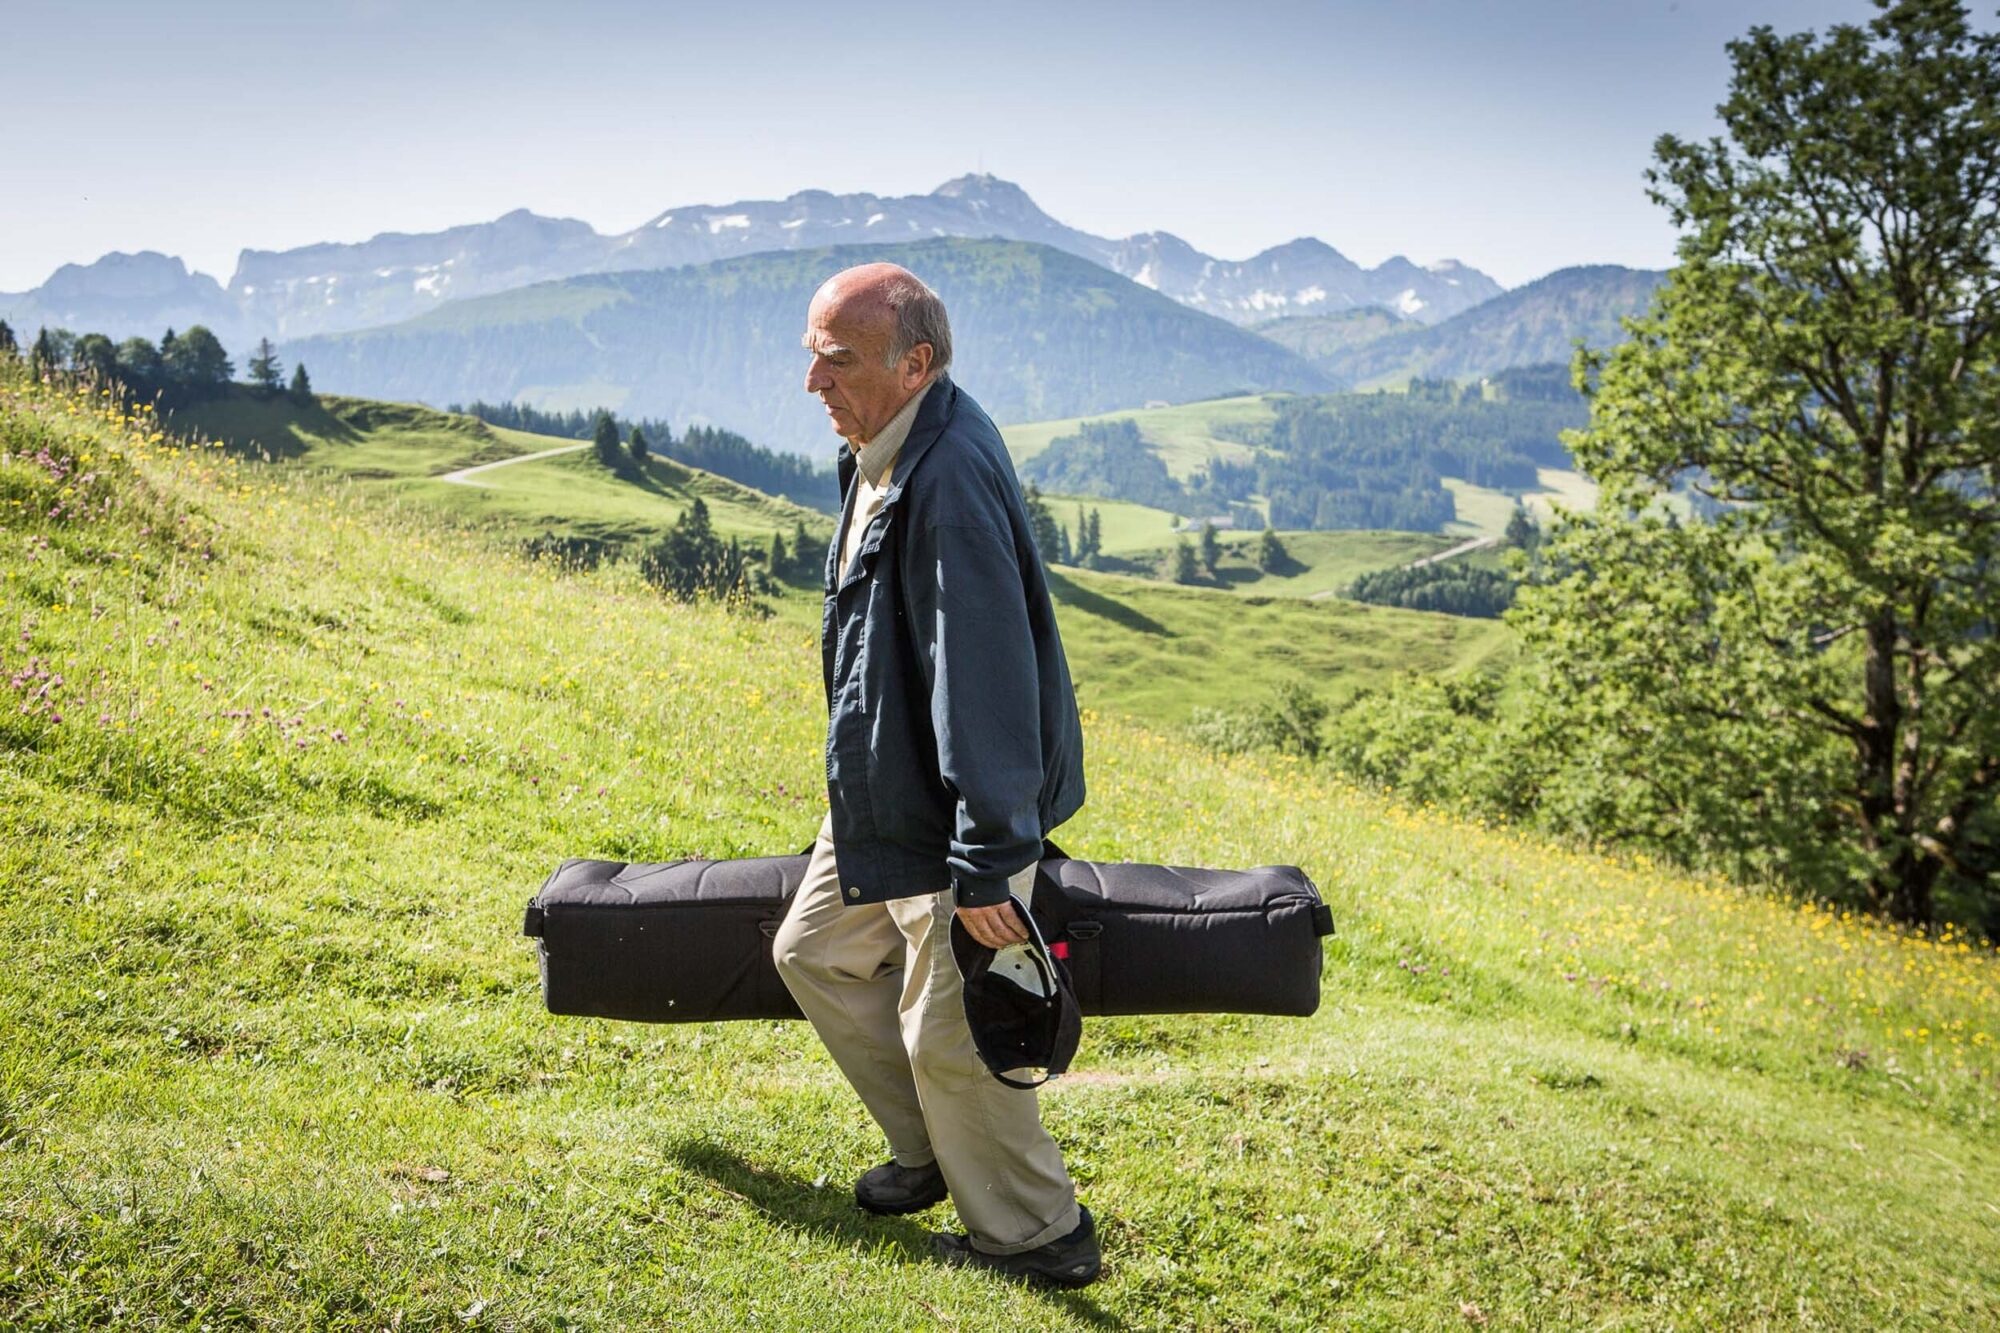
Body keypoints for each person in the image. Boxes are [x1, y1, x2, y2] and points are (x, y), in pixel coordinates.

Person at [771, 262, 1100, 1288]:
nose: (813, 385)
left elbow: (984, 671)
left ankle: (1037, 1233)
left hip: (955, 807)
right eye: (810, 359)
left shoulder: (943, 472)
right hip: (887, 784)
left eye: (838, 363)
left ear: (915, 364)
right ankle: (933, 1153)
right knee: (814, 950)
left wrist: (989, 861)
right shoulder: (878, 447)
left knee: (949, 1024)